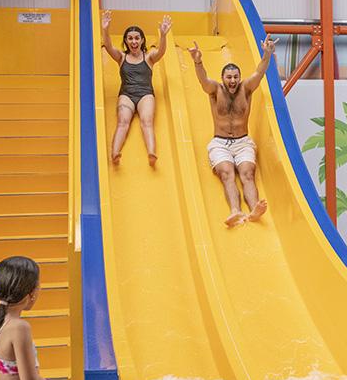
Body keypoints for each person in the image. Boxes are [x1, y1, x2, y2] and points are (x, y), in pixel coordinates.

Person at [187, 34, 278, 227]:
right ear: (223, 78)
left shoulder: (246, 88)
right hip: (220, 143)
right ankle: (235, 211)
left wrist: (267, 55)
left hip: (242, 141)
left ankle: (254, 209)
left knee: (247, 174)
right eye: (229, 77)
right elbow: (203, 80)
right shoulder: (215, 90)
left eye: (235, 76)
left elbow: (259, 73)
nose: (233, 80)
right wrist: (198, 61)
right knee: (227, 173)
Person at [101, 11, 172, 166]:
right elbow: (108, 46)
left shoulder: (149, 57)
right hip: (126, 94)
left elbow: (161, 52)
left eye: (136, 38)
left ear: (142, 40)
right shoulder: (121, 57)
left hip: (145, 94)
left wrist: (163, 35)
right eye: (130, 38)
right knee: (123, 122)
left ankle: (152, 152)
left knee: (147, 121)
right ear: (126, 41)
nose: (133, 41)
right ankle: (115, 152)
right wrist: (105, 30)